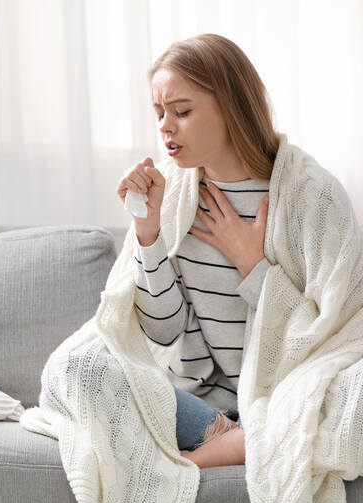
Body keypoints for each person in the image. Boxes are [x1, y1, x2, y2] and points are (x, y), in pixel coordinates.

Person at [115, 33, 280, 468]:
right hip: (196, 409)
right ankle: (228, 440)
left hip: (279, 400)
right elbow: (165, 332)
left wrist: (253, 263)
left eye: (182, 111)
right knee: (77, 367)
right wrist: (148, 231)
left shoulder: (299, 196)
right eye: (160, 113)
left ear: (231, 105)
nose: (165, 126)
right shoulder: (173, 197)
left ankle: (235, 443)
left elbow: (318, 334)